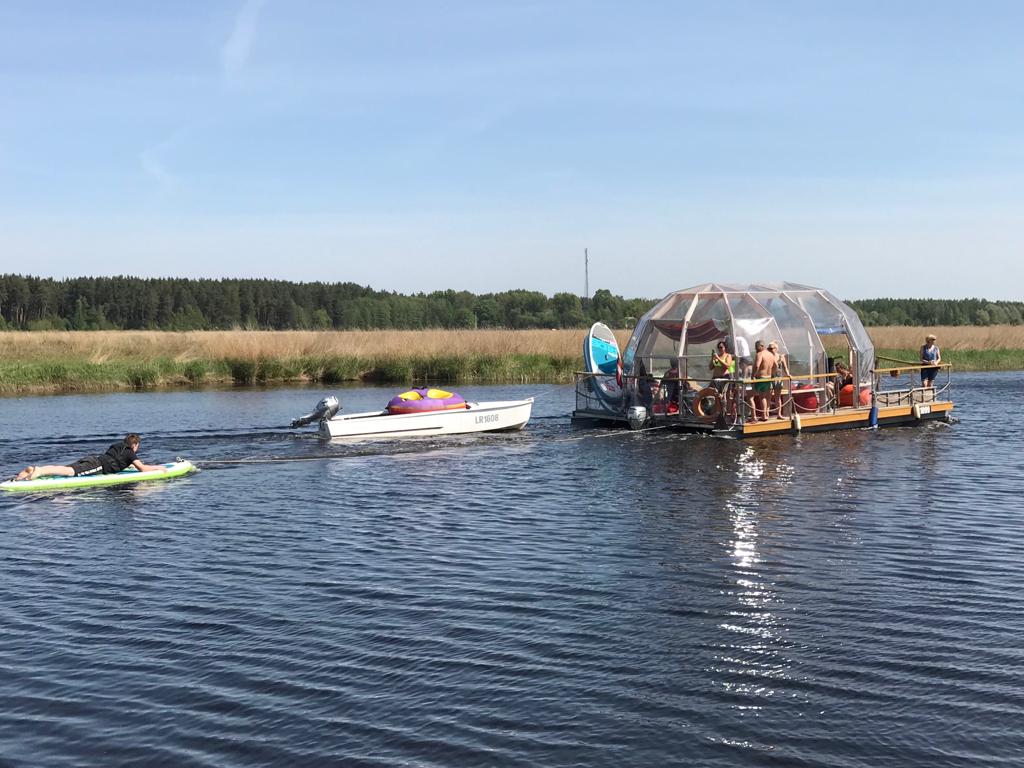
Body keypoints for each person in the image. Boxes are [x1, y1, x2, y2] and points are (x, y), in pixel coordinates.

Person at [13, 434, 166, 482]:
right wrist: (158, 467)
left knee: (66, 469)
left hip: (93, 459)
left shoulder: (117, 445)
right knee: (69, 472)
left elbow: (119, 461)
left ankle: (31, 472)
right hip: (97, 466)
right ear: (135, 445)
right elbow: (143, 469)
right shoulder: (130, 452)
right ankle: (39, 471)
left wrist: (130, 466)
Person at [749, 340, 774, 422]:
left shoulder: (760, 354)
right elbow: (775, 366)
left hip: (760, 378)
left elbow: (756, 365)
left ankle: (753, 417)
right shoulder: (770, 355)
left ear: (762, 346)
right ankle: (764, 415)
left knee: (750, 397)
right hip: (768, 378)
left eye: (756, 346)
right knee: (763, 397)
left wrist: (752, 375)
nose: (755, 348)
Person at [767, 341, 790, 419]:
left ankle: (779, 414)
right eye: (768, 348)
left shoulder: (781, 357)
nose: (769, 350)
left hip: (778, 378)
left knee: (777, 397)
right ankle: (766, 414)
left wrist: (788, 374)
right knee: (768, 396)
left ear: (776, 349)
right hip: (769, 378)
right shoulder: (767, 356)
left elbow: (785, 368)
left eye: (771, 348)